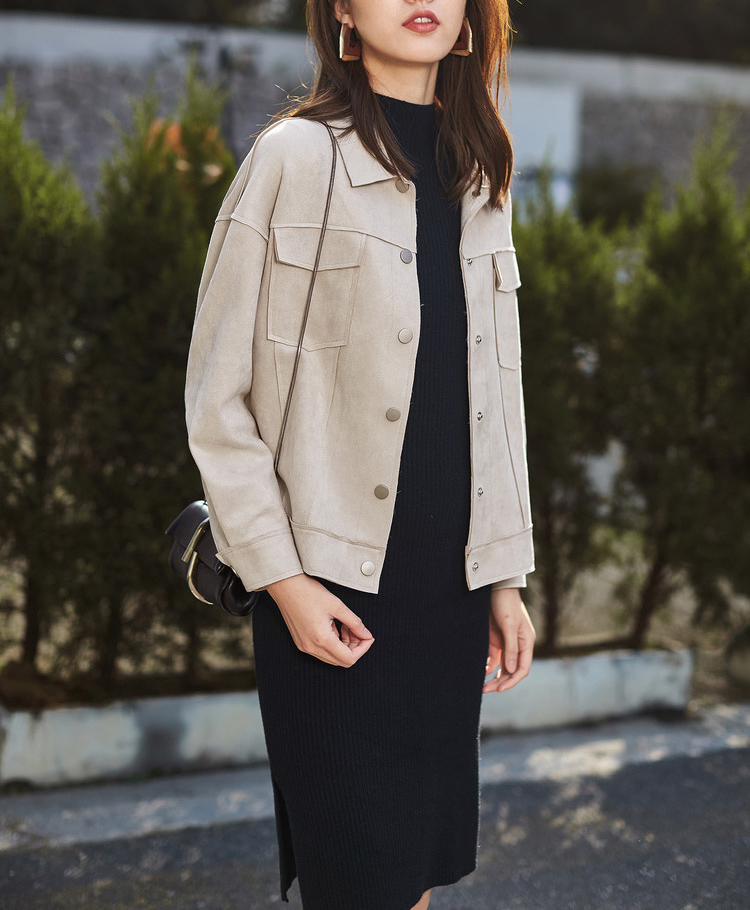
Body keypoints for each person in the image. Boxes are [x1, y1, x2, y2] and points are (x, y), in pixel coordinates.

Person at [185, 1, 536, 907]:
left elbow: (494, 396)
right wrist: (284, 582)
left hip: (449, 596)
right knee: (358, 881)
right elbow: (218, 402)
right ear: (340, 8)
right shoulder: (294, 158)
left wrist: (502, 575)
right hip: (331, 593)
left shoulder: (483, 172)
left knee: (412, 881)